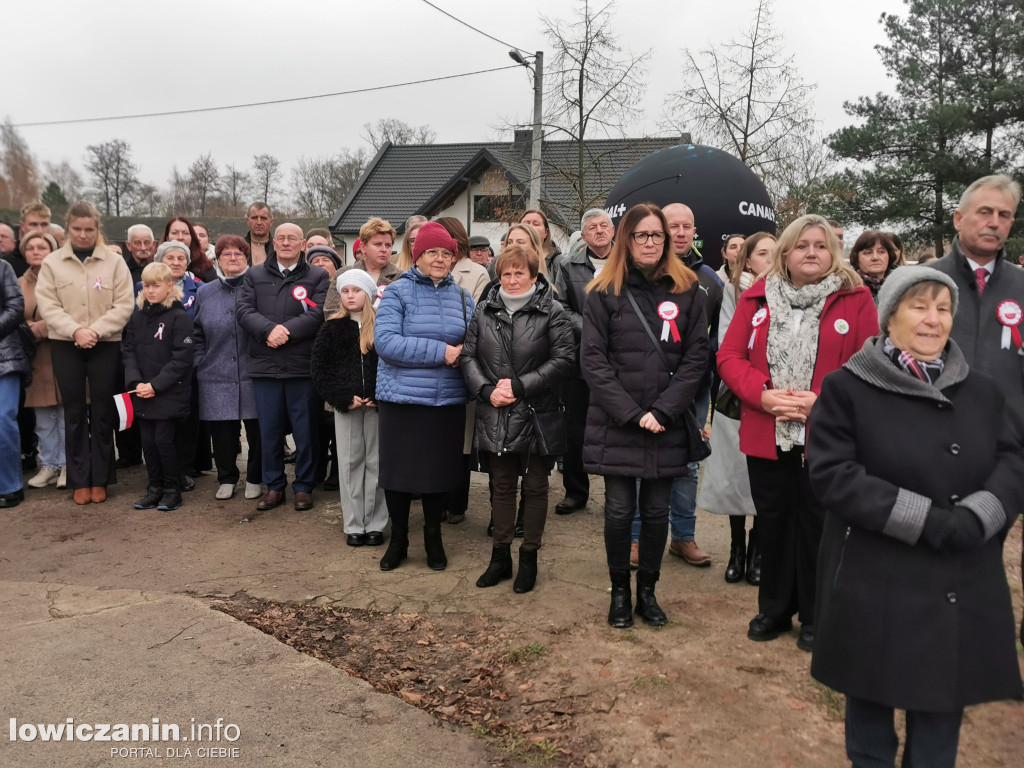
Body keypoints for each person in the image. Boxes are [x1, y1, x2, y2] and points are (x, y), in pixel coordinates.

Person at [807, 268, 1024, 767]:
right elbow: (834, 475)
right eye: (918, 306)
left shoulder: (983, 391)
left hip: (960, 576)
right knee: (871, 718)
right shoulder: (847, 387)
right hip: (874, 576)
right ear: (889, 316)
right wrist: (924, 519)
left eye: (943, 308)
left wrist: (979, 516)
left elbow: (1013, 461)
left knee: (940, 720)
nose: (933, 320)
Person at [718, 214, 878, 650]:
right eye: (802, 245)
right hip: (767, 430)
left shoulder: (856, 298)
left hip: (827, 437)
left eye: (821, 246)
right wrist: (763, 395)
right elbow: (730, 357)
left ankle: (815, 615)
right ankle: (773, 609)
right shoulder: (756, 297)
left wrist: (823, 400)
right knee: (773, 524)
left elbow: (870, 363)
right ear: (786, 254)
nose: (812, 252)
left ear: (833, 253)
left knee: (818, 527)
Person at [581, 203, 709, 628]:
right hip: (619, 420)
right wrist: (633, 413)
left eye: (658, 236)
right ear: (626, 241)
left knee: (656, 514)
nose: (651, 243)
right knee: (619, 512)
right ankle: (620, 592)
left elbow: (696, 358)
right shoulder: (602, 293)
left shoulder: (689, 290)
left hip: (665, 423)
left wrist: (664, 410)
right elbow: (593, 361)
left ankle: (648, 593)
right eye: (642, 235)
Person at [927, 173, 1024, 648]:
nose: (994, 223)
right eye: (984, 212)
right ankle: (942, 642)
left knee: (998, 548)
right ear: (959, 218)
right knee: (945, 547)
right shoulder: (927, 284)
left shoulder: (1022, 288)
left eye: (1004, 215)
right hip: (939, 442)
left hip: (1011, 449)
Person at [461, 245, 574, 592]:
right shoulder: (484, 311)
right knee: (502, 486)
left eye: (519, 273)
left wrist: (522, 386)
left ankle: (529, 557)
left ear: (534, 276)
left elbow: (565, 358)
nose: (511, 280)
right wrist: (485, 389)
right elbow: (468, 356)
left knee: (537, 487)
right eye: (506, 273)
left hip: (538, 412)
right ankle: (500, 557)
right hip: (496, 410)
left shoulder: (552, 311)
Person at [374, 222, 473, 572]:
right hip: (402, 399)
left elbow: (472, 344)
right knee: (398, 475)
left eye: (447, 253)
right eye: (432, 252)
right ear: (417, 255)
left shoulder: (463, 297)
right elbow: (385, 343)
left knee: (438, 475)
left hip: (445, 400)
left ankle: (433, 537)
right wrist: (441, 352)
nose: (440, 259)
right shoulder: (396, 292)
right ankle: (399, 539)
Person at [35, 202, 134, 505]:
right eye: (77, 229)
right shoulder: (53, 263)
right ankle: (79, 477)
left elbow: (124, 303)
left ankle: (101, 477)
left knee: (103, 411)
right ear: (68, 229)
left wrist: (96, 331)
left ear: (97, 229)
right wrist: (76, 330)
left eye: (89, 229)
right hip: (66, 344)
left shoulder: (114, 263)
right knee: (74, 411)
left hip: (105, 344)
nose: (82, 234)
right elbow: (48, 305)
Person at [698, 233, 775, 584]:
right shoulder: (733, 291)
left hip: (777, 398)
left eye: (776, 252)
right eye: (763, 253)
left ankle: (760, 550)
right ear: (747, 260)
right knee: (735, 474)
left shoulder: (788, 294)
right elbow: (730, 342)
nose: (771, 258)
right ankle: (736, 549)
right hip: (738, 395)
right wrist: (752, 382)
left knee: (764, 476)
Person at [236, 223, 329, 512]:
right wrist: (268, 331)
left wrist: (285, 331)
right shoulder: (254, 274)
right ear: (273, 243)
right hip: (265, 366)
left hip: (302, 367)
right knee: (269, 431)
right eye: (281, 238)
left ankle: (303, 486)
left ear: (303, 245)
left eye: (292, 238)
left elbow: (320, 312)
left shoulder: (318, 276)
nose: (286, 242)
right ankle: (274, 486)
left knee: (305, 431)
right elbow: (243, 310)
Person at [660, 202, 723, 568]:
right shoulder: (641, 274)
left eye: (687, 226)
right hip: (646, 387)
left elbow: (717, 339)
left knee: (688, 464)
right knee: (641, 462)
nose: (681, 232)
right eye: (673, 226)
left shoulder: (711, 281)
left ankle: (683, 537)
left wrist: (700, 369)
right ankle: (636, 538)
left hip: (694, 389)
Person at [311, 270, 386, 547]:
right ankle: (354, 523)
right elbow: (320, 369)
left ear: (368, 294)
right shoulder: (332, 328)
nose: (350, 296)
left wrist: (379, 394)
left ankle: (376, 522)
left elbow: (390, 364)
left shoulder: (382, 326)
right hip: (348, 408)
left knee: (376, 462)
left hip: (376, 407)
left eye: (356, 290)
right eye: (345, 291)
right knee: (350, 462)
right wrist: (342, 397)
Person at [553, 208, 615, 516]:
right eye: (593, 227)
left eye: (605, 225)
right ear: (584, 235)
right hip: (580, 360)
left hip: (621, 361)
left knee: (617, 427)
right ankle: (576, 492)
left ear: (613, 230)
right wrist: (592, 329)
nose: (600, 231)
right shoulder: (567, 265)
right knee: (575, 429)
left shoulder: (627, 261)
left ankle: (617, 494)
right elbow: (561, 306)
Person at [192, 235, 262, 501]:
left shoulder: (258, 288)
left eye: (238, 254)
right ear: (217, 259)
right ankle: (227, 477)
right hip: (215, 373)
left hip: (253, 371)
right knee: (222, 432)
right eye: (226, 254)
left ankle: (256, 477)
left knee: (257, 431)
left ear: (247, 259)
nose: (232, 258)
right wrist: (201, 362)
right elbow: (197, 334)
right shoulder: (205, 292)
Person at [122, 263, 195, 512]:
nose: (150, 291)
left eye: (156, 285)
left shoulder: (179, 317)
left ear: (169, 286)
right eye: (146, 286)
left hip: (169, 391)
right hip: (142, 391)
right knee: (148, 443)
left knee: (164, 441)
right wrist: (136, 383)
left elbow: (182, 358)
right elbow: (128, 351)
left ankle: (173, 490)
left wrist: (155, 385)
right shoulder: (138, 317)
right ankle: (154, 489)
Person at [436, 217, 491, 525]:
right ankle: (436, 498)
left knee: (461, 438)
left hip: (462, 363)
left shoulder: (477, 273)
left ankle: (456, 503)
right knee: (437, 438)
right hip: (433, 366)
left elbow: (477, 321)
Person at [18, 231, 66, 490]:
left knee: (67, 411)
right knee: (43, 416)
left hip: (63, 352)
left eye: (42, 246)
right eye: (31, 247)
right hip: (35, 357)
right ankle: (49, 464)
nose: (36, 251)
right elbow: (14, 316)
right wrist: (38, 329)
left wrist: (39, 327)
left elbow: (71, 310)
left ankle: (69, 463)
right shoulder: (17, 283)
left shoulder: (64, 278)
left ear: (52, 250)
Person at [0, 257, 31, 507]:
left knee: (3, 418)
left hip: (4, 356)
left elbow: (16, 306)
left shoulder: (3, 268)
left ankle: (9, 485)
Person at [324, 218, 400, 315]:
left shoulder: (400, 277)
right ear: (363, 247)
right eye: (378, 244)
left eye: (388, 245)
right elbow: (330, 311)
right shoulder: (343, 274)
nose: (384, 249)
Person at [849, 230, 899, 304]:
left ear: (889, 256)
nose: (875, 257)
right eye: (868, 253)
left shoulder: (902, 286)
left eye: (881, 252)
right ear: (856, 258)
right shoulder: (848, 288)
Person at [162, 217, 217, 283]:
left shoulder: (205, 266)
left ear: (192, 237)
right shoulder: (154, 265)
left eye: (185, 233)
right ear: (167, 237)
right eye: (174, 233)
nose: (180, 237)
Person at [520, 209, 561, 275]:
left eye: (536, 224)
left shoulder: (559, 263)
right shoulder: (505, 260)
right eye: (526, 223)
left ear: (546, 232)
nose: (530, 227)